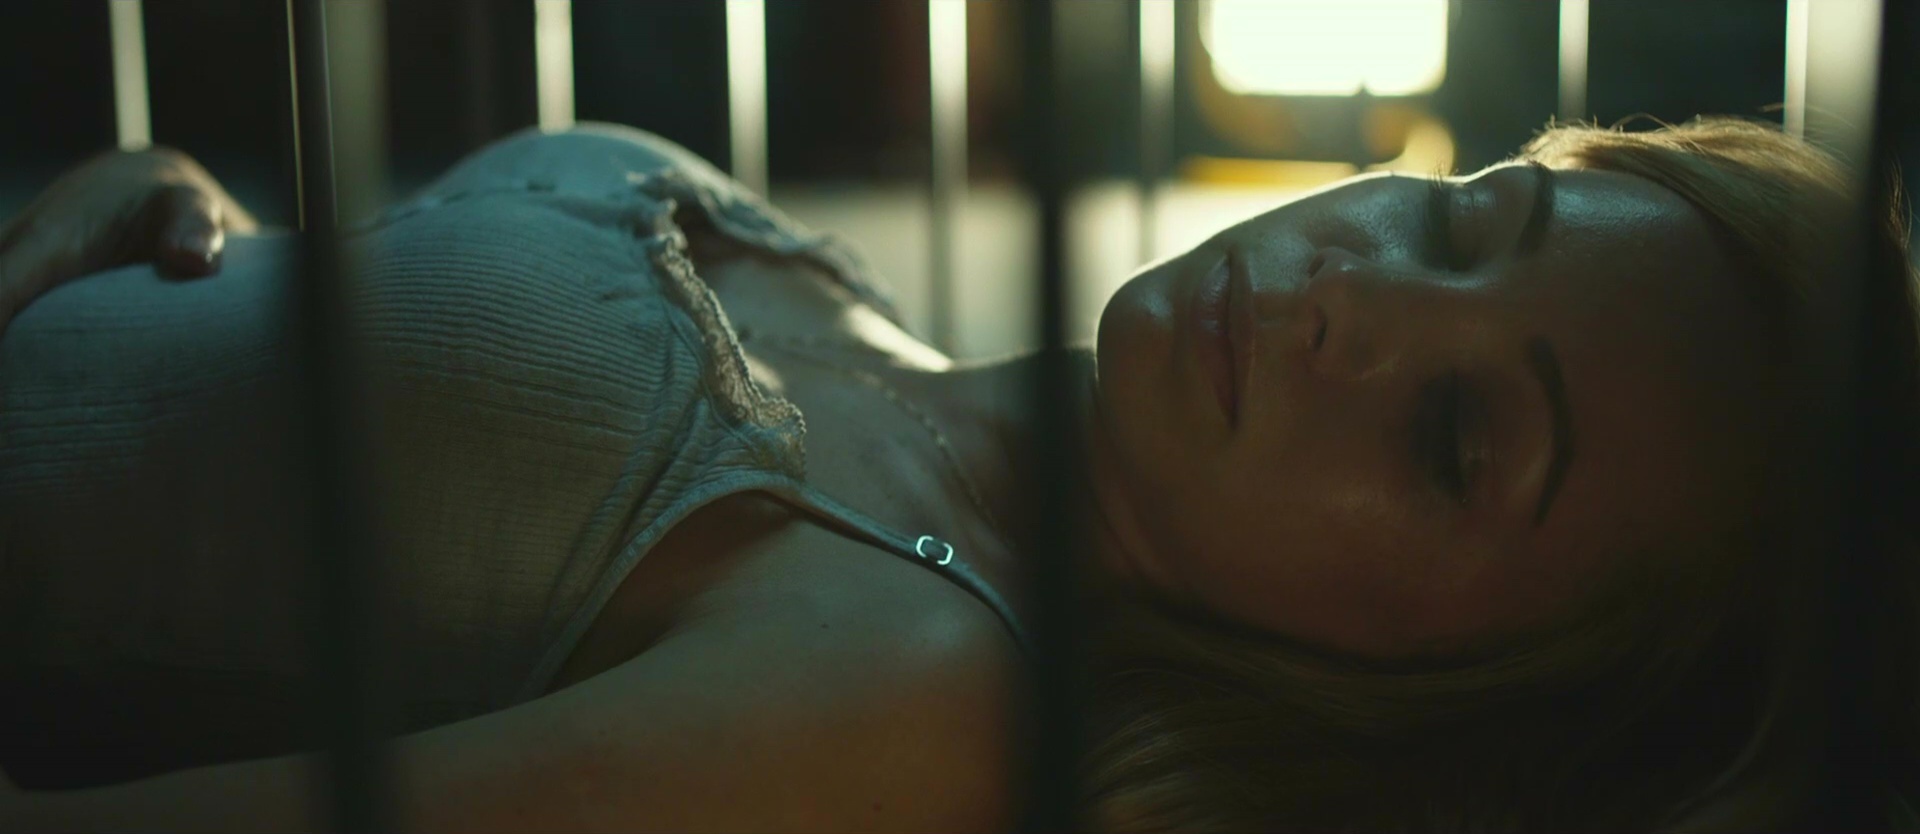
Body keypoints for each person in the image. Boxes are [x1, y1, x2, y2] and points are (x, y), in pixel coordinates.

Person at [0, 117, 1913, 832]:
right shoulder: (852, 312)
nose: (1360, 301)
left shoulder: (916, 697)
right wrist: (161, 230)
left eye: (1455, 437)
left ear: (1461, 702)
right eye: (1466, 221)